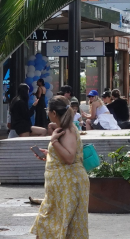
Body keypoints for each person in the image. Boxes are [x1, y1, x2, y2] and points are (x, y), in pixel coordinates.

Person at [29, 95, 89, 239]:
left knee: (59, 225)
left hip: (68, 185)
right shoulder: (63, 129)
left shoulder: (67, 130)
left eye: (48, 111)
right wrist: (50, 154)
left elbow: (69, 157)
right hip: (60, 187)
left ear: (54, 113)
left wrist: (54, 142)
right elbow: (64, 154)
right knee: (50, 224)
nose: (47, 113)